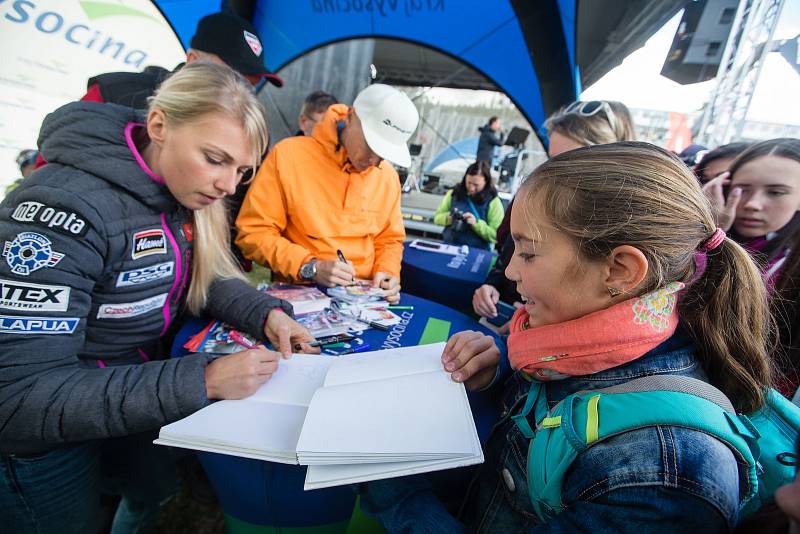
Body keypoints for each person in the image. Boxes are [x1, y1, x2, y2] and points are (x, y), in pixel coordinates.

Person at [361, 141, 773, 532]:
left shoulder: (668, 473)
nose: (510, 272)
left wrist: (389, 482)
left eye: (528, 252)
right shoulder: (571, 344)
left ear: (620, 271)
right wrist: (498, 369)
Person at [0, 61, 316, 534]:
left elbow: (197, 273)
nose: (229, 186)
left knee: (152, 494)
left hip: (126, 397)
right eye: (216, 159)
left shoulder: (178, 189)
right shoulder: (59, 209)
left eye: (242, 171)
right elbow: (18, 398)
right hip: (42, 445)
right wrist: (202, 380)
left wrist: (264, 312)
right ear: (159, 125)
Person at [235, 84, 419, 305]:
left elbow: (389, 239)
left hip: (367, 302)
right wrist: (309, 266)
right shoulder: (288, 156)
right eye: (371, 146)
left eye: (384, 155)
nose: (373, 161)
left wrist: (387, 271)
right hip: (301, 296)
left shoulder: (386, 176)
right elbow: (253, 233)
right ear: (350, 117)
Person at [474, 100, 636, 327]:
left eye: (566, 164)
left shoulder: (613, 230)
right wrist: (493, 283)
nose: (550, 174)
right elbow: (509, 251)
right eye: (551, 160)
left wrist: (534, 327)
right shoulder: (534, 195)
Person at [703, 138, 800, 398]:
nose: (753, 204)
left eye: (776, 192)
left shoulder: (790, 266)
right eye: (741, 189)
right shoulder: (706, 241)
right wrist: (709, 230)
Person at [433, 161, 503, 249]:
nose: (471, 188)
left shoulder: (494, 202)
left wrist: (476, 224)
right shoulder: (453, 194)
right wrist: (449, 218)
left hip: (476, 254)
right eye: (469, 183)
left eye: (476, 185)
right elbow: (437, 218)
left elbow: (496, 236)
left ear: (486, 182)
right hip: (449, 247)